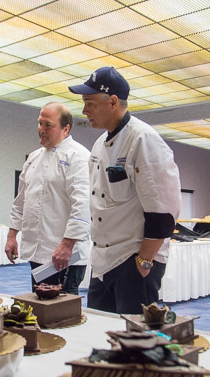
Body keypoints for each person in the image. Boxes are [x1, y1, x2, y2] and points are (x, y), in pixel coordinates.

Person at [68, 67, 181, 314]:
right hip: (102, 262)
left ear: (113, 102)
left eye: (89, 103)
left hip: (132, 261)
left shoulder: (143, 139)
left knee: (133, 340)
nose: (84, 111)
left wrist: (144, 261)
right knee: (101, 332)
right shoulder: (99, 145)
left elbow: (164, 213)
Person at [5, 102, 91, 294]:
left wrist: (67, 245)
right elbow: (20, 201)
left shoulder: (79, 157)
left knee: (61, 311)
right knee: (39, 303)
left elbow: (83, 205)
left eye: (48, 125)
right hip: (38, 251)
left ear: (65, 128)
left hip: (65, 254)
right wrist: (12, 236)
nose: (41, 130)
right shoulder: (33, 158)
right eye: (39, 123)